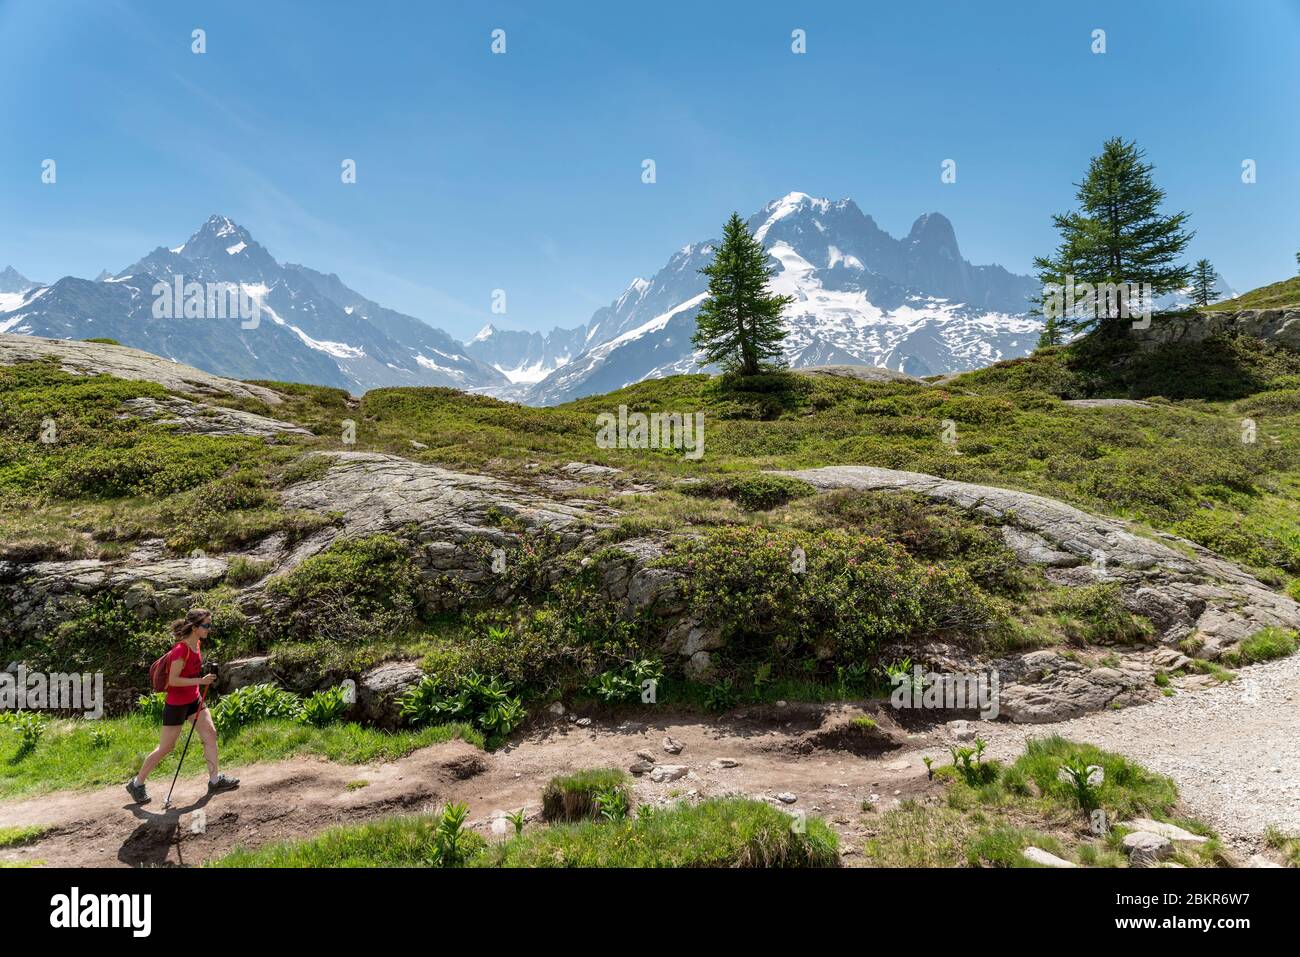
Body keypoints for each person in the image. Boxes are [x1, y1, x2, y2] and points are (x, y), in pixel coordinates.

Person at [126, 608, 239, 804]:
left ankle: (214, 780)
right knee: (166, 747)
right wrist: (200, 681)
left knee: (210, 734)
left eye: (209, 625)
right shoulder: (180, 650)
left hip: (194, 700)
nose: (209, 629)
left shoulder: (197, 643)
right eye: (206, 625)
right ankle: (136, 784)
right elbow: (174, 681)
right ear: (195, 627)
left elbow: (191, 675)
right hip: (177, 705)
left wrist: (204, 680)